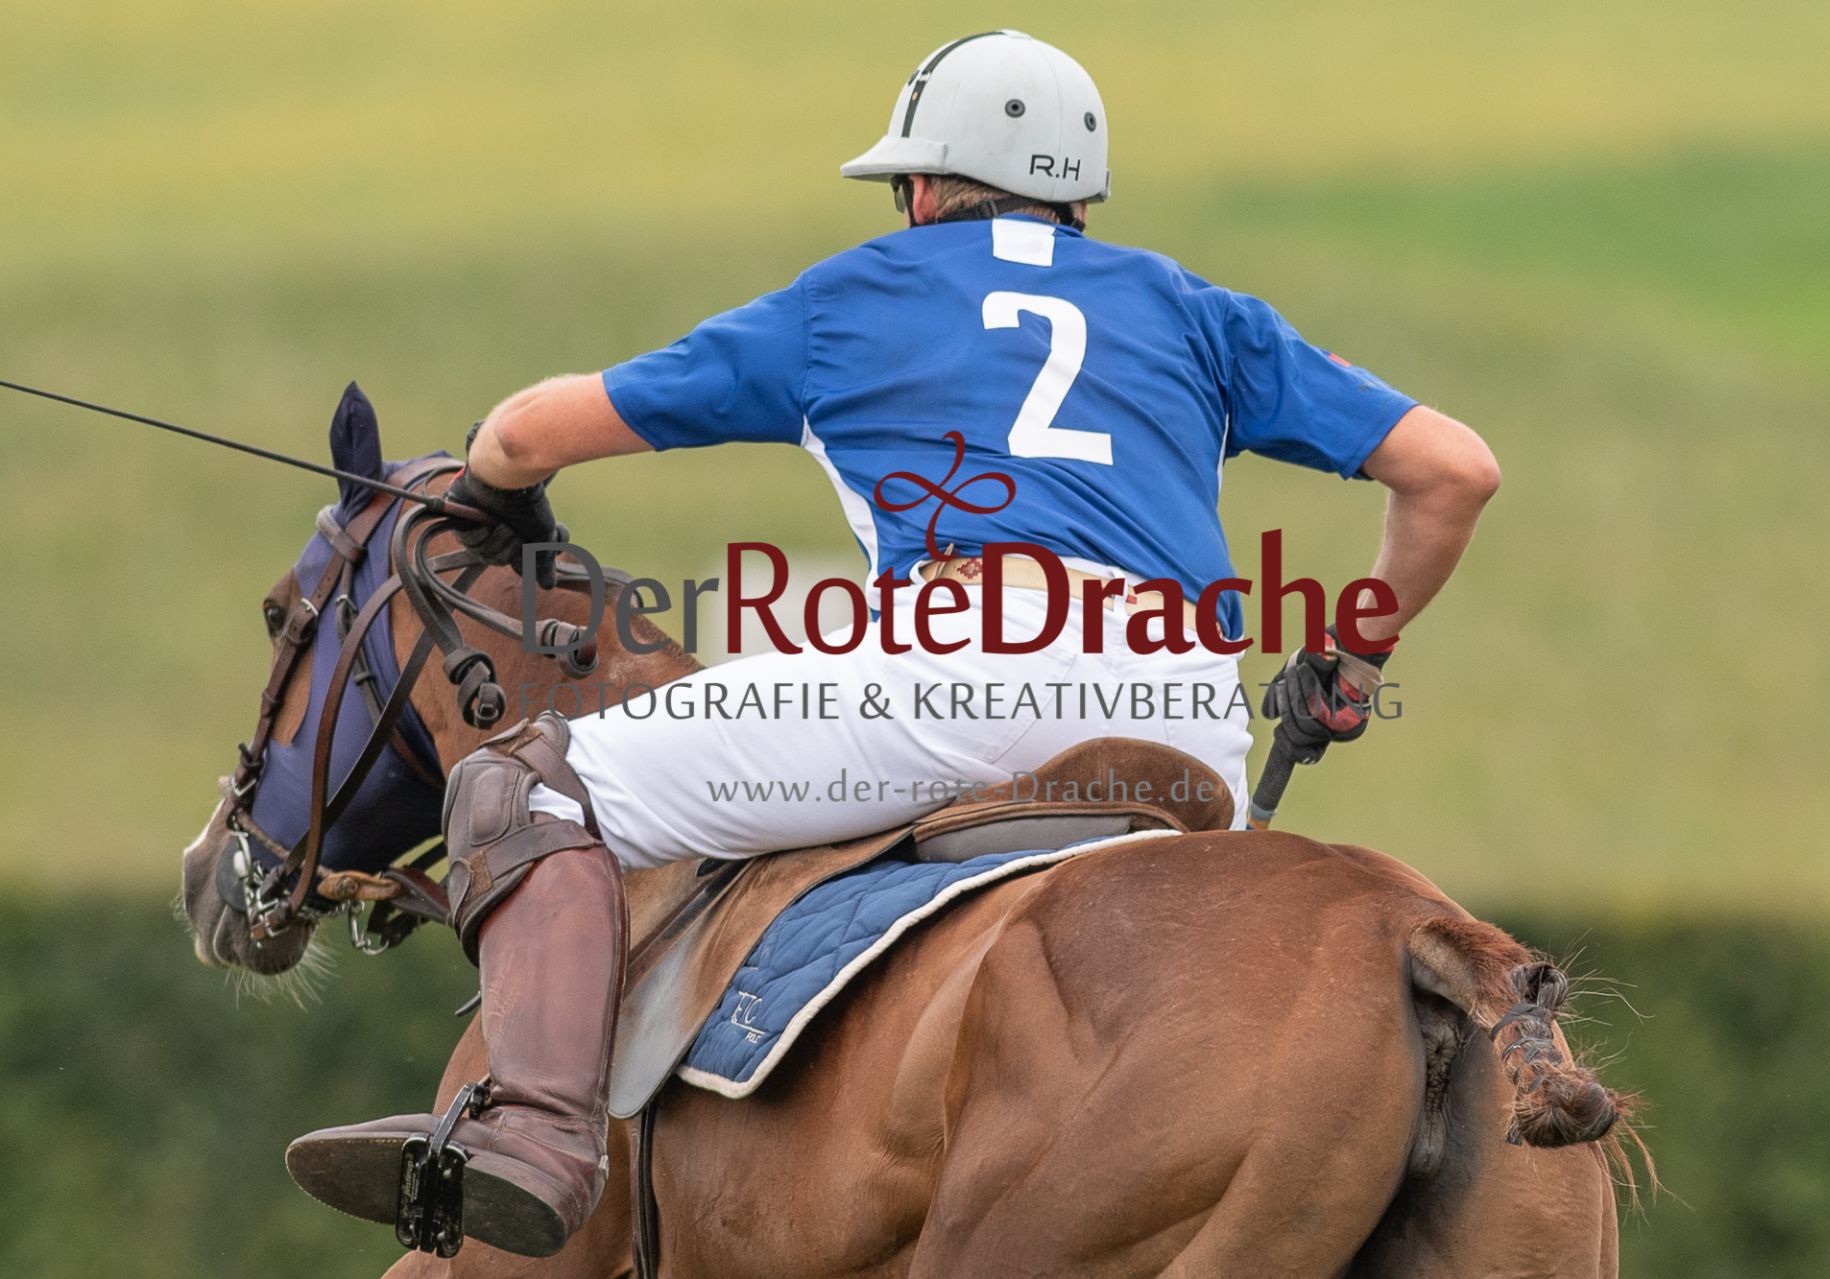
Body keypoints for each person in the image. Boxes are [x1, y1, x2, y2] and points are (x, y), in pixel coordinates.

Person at [287, 29, 1500, 1257]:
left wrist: (491, 481)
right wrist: (1352, 660)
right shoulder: (1198, 311)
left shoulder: (854, 295)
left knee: (521, 788)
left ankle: (536, 1137)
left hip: (960, 677)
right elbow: (1454, 470)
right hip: (1187, 716)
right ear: (1081, 203)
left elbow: (528, 432)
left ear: (919, 191)